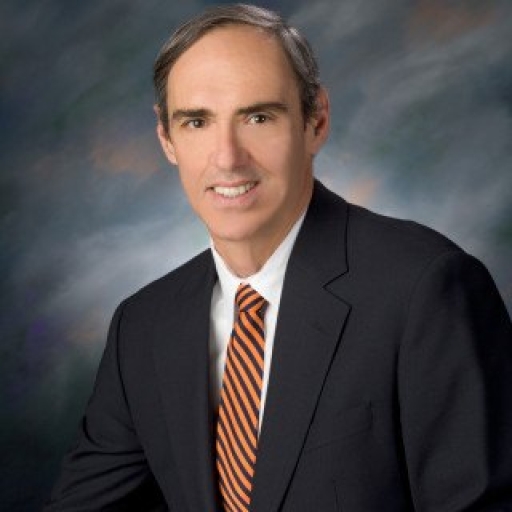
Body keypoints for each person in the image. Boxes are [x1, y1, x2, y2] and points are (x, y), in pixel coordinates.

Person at [44, 4, 512, 511]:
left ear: (316, 121)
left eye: (258, 117)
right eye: (197, 122)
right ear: (167, 139)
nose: (228, 157)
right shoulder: (143, 325)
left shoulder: (426, 289)